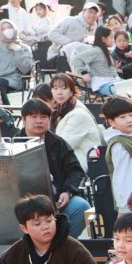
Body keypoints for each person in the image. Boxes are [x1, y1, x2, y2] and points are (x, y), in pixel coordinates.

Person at [19, 99, 94, 239]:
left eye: (43, 117)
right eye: (33, 117)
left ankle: (61, 244)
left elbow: (75, 170)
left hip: (57, 198)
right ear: (24, 119)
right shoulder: (15, 144)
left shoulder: (58, 143)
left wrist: (67, 191)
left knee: (82, 206)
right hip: (27, 203)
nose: (39, 121)